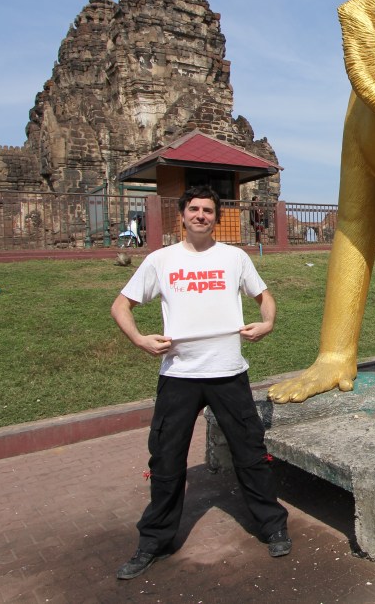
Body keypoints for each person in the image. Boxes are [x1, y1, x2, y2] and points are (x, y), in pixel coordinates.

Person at [110, 185, 291, 581]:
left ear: (217, 217)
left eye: (208, 210)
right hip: (179, 374)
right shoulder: (161, 260)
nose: (201, 215)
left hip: (228, 371)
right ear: (182, 214)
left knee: (250, 452)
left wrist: (269, 322)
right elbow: (120, 306)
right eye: (194, 209)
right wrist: (141, 340)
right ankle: (154, 541)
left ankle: (272, 525)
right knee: (166, 460)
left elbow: (265, 297)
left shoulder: (234, 257)